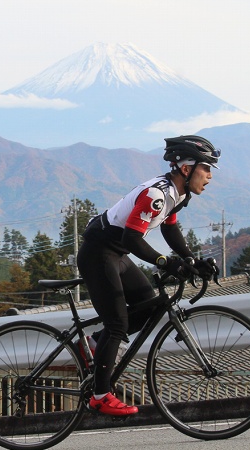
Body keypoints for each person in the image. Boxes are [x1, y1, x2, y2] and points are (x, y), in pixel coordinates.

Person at [76, 135, 220, 416]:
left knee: (147, 305)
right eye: (206, 168)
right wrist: (166, 262)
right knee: (117, 324)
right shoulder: (157, 195)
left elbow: (170, 229)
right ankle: (100, 395)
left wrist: (190, 260)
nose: (210, 176)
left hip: (116, 253)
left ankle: (94, 344)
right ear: (187, 169)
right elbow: (132, 237)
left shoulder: (177, 193)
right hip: (99, 253)